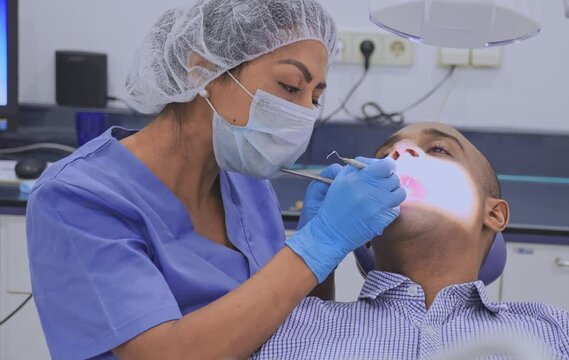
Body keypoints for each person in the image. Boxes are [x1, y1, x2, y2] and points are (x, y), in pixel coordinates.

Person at [25, 1, 406, 359]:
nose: (304, 113)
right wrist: (319, 243)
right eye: (290, 87)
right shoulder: (76, 199)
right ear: (202, 70)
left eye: (315, 97)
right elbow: (164, 353)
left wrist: (322, 262)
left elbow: (289, 328)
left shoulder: (247, 186)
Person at [251, 122, 569, 360]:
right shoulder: (286, 326)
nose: (399, 154)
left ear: (494, 214)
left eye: (438, 150)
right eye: (386, 155)